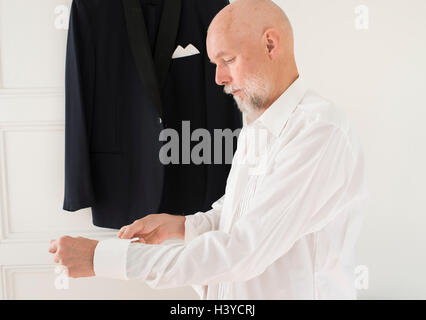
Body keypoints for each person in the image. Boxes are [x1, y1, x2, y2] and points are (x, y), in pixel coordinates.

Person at [49, 0, 367, 299]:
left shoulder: (320, 132)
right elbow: (241, 210)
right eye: (214, 63)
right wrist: (183, 226)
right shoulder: (260, 123)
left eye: (227, 60)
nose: (217, 78)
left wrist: (102, 258)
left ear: (271, 44)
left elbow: (243, 251)